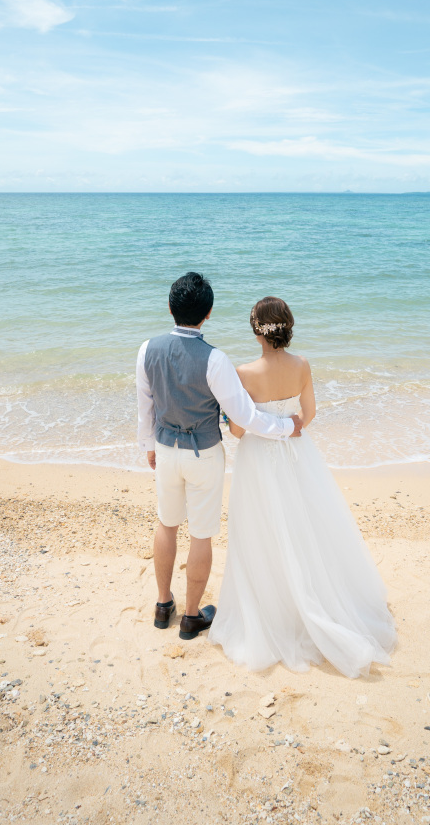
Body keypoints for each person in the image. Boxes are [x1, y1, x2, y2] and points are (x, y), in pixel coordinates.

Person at [209, 296, 397, 677]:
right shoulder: (302, 366)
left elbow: (239, 429)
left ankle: (275, 612)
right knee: (307, 527)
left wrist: (233, 418)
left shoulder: (244, 373)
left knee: (261, 534)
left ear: (256, 331)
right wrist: (289, 423)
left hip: (259, 461)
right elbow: (308, 415)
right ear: (287, 327)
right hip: (298, 455)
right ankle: (319, 600)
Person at [136, 273, 304, 640]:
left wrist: (149, 445)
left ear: (169, 308)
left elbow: (144, 408)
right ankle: (192, 616)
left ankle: (164, 604)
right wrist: (287, 427)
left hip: (165, 451)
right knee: (201, 535)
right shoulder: (215, 359)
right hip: (204, 455)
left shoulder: (147, 349)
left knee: (166, 524)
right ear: (209, 313)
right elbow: (245, 418)